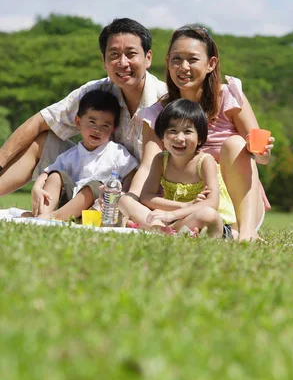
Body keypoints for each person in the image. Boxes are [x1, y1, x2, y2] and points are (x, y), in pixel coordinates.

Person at [120, 24, 274, 241]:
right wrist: (133, 201)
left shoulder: (229, 97)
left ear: (211, 64)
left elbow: (260, 154)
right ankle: (172, 229)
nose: (183, 67)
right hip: (181, 204)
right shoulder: (158, 113)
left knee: (235, 144)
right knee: (126, 200)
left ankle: (245, 233)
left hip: (235, 206)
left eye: (192, 59)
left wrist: (263, 152)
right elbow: (148, 164)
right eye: (176, 59)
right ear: (167, 62)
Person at [0, 18, 167, 197]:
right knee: (42, 141)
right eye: (114, 54)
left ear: (148, 58)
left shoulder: (165, 99)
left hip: (147, 189)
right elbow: (41, 121)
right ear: (104, 61)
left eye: (131, 54)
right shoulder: (97, 91)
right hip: (93, 181)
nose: (123, 63)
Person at [23, 90, 137, 221]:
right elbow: (47, 173)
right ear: (78, 122)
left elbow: (132, 173)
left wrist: (123, 194)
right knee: (55, 175)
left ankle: (53, 217)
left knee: (95, 186)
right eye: (92, 122)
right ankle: (44, 214)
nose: (97, 130)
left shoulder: (117, 152)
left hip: (98, 208)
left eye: (105, 125)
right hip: (68, 203)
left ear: (113, 129)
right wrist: (37, 187)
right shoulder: (70, 155)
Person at [140, 98, 236, 238]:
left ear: (200, 138)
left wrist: (172, 213)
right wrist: (185, 206)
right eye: (172, 130)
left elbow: (212, 203)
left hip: (209, 222)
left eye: (187, 131)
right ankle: (171, 231)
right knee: (125, 200)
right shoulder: (161, 160)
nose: (179, 138)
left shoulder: (205, 161)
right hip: (176, 220)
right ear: (162, 136)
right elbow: (146, 197)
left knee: (207, 214)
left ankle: (164, 231)